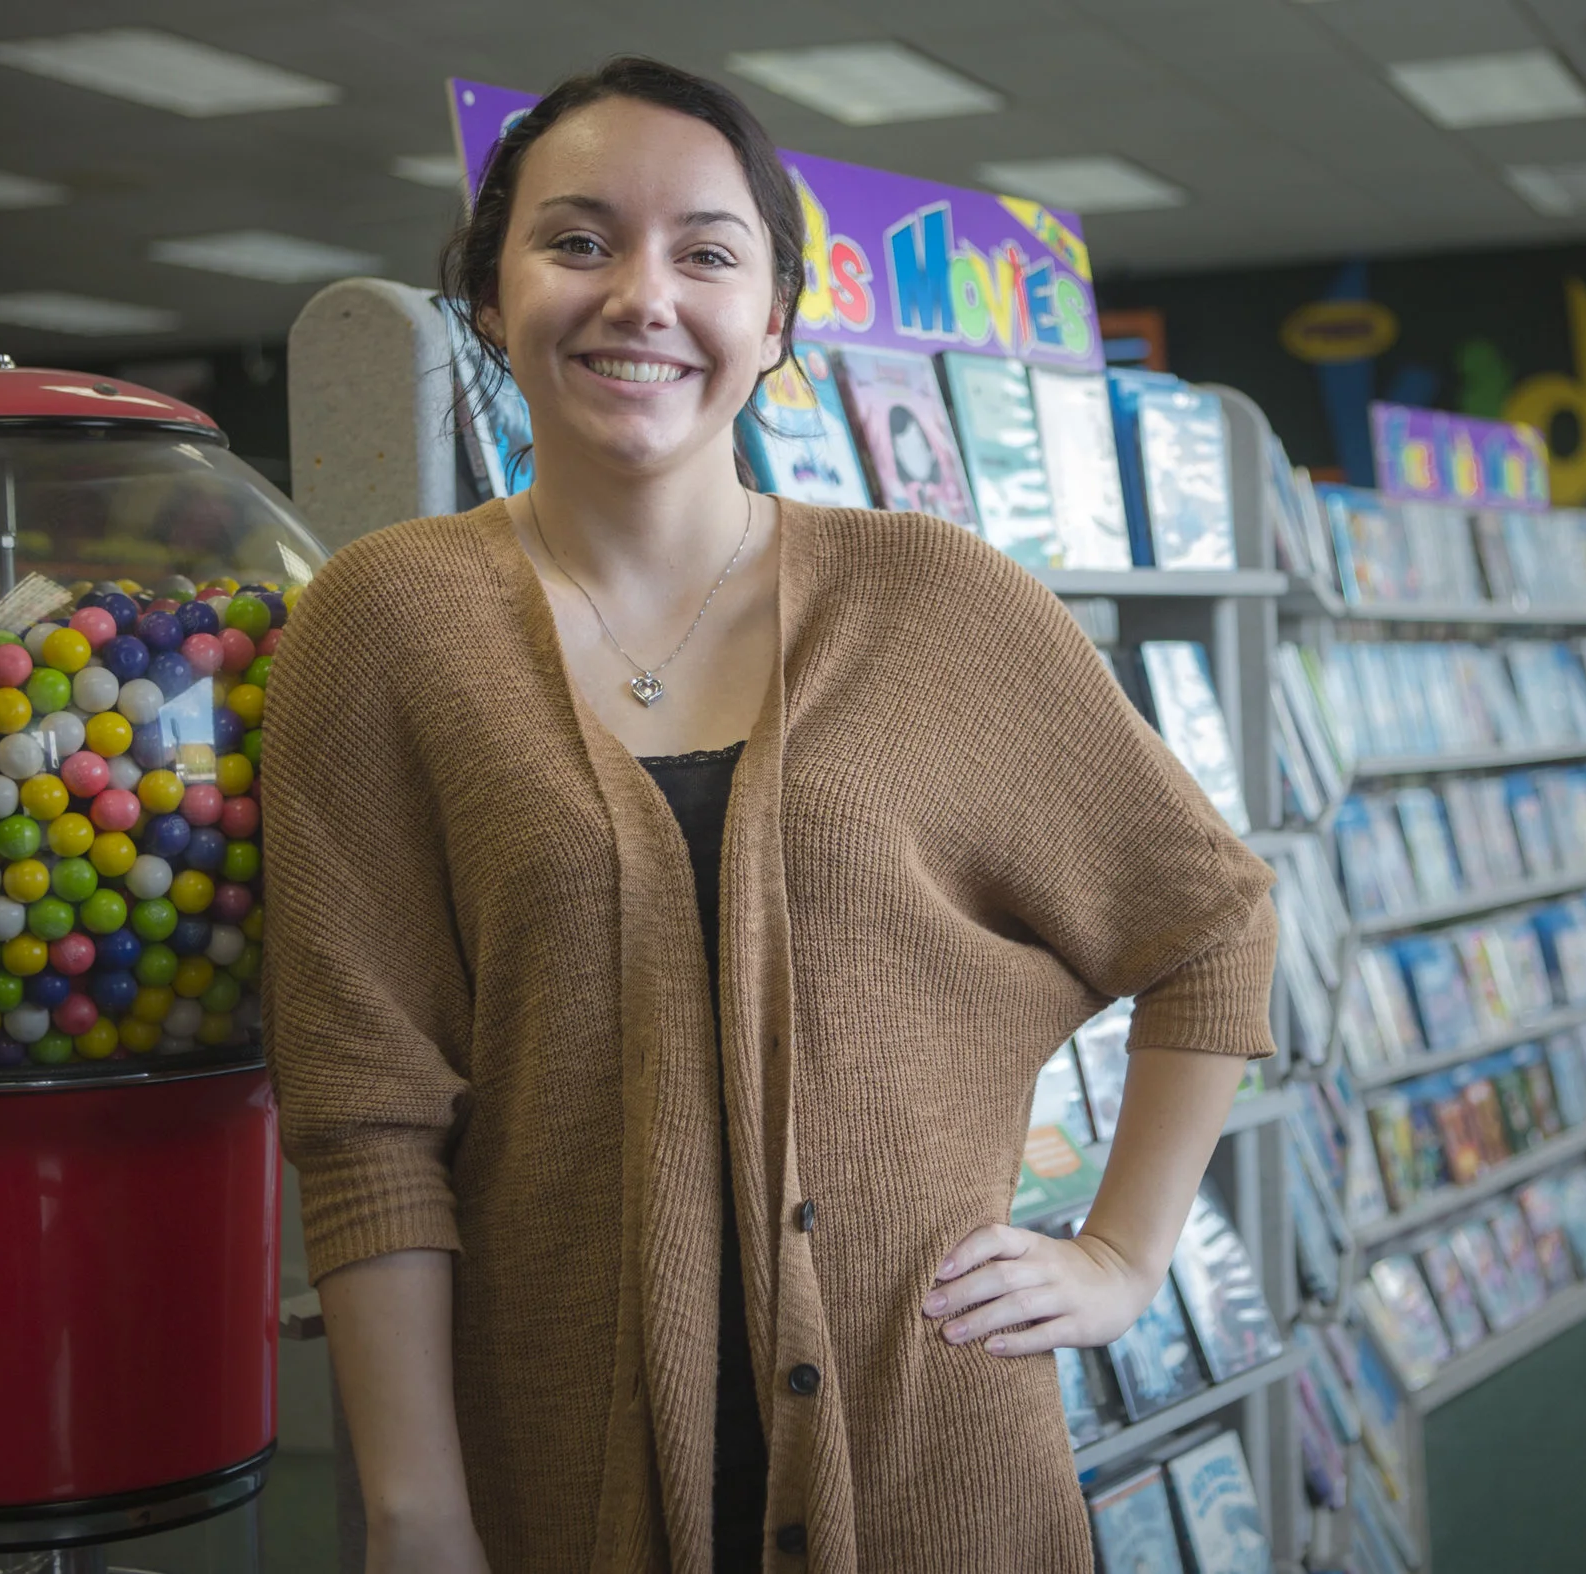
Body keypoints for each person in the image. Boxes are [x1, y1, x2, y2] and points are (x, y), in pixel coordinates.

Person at [262, 57, 1275, 1574]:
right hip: (555, 1467)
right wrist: (415, 1511)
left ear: (781, 317)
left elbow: (1214, 921)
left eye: (707, 252)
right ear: (489, 294)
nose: (641, 296)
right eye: (579, 240)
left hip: (938, 1459)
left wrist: (1122, 1258)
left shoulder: (938, 600)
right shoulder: (386, 624)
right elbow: (366, 1119)